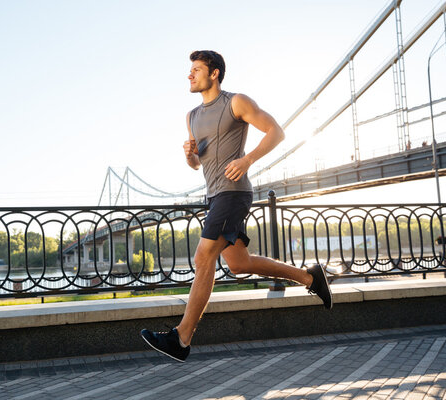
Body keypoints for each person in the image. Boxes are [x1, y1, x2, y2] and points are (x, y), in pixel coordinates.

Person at [141, 50, 332, 363]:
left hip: (234, 193)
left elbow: (277, 132)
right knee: (239, 264)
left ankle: (182, 337)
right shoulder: (190, 116)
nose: (190, 75)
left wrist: (247, 159)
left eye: (196, 70)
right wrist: (189, 155)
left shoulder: (236, 102)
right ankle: (311, 278)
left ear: (214, 73)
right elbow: (197, 164)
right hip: (214, 195)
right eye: (190, 70)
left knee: (203, 256)